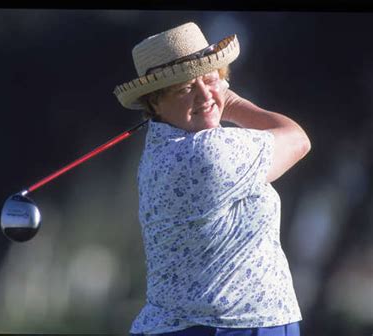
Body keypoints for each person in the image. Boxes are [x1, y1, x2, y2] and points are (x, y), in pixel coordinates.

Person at [113, 22, 311, 336]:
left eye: (210, 79)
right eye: (185, 88)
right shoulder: (207, 153)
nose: (204, 94)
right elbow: (298, 139)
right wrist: (228, 101)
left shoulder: (159, 149)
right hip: (233, 326)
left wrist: (209, 92)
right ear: (155, 103)